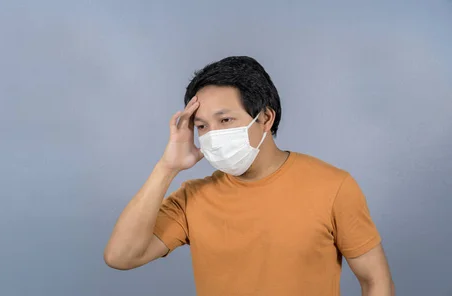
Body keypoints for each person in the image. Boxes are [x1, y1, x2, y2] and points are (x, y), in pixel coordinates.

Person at [103, 56, 394, 295]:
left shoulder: (333, 186)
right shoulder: (193, 197)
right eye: (202, 126)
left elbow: (375, 281)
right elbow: (121, 256)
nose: (213, 135)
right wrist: (167, 168)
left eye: (226, 120)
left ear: (266, 118)